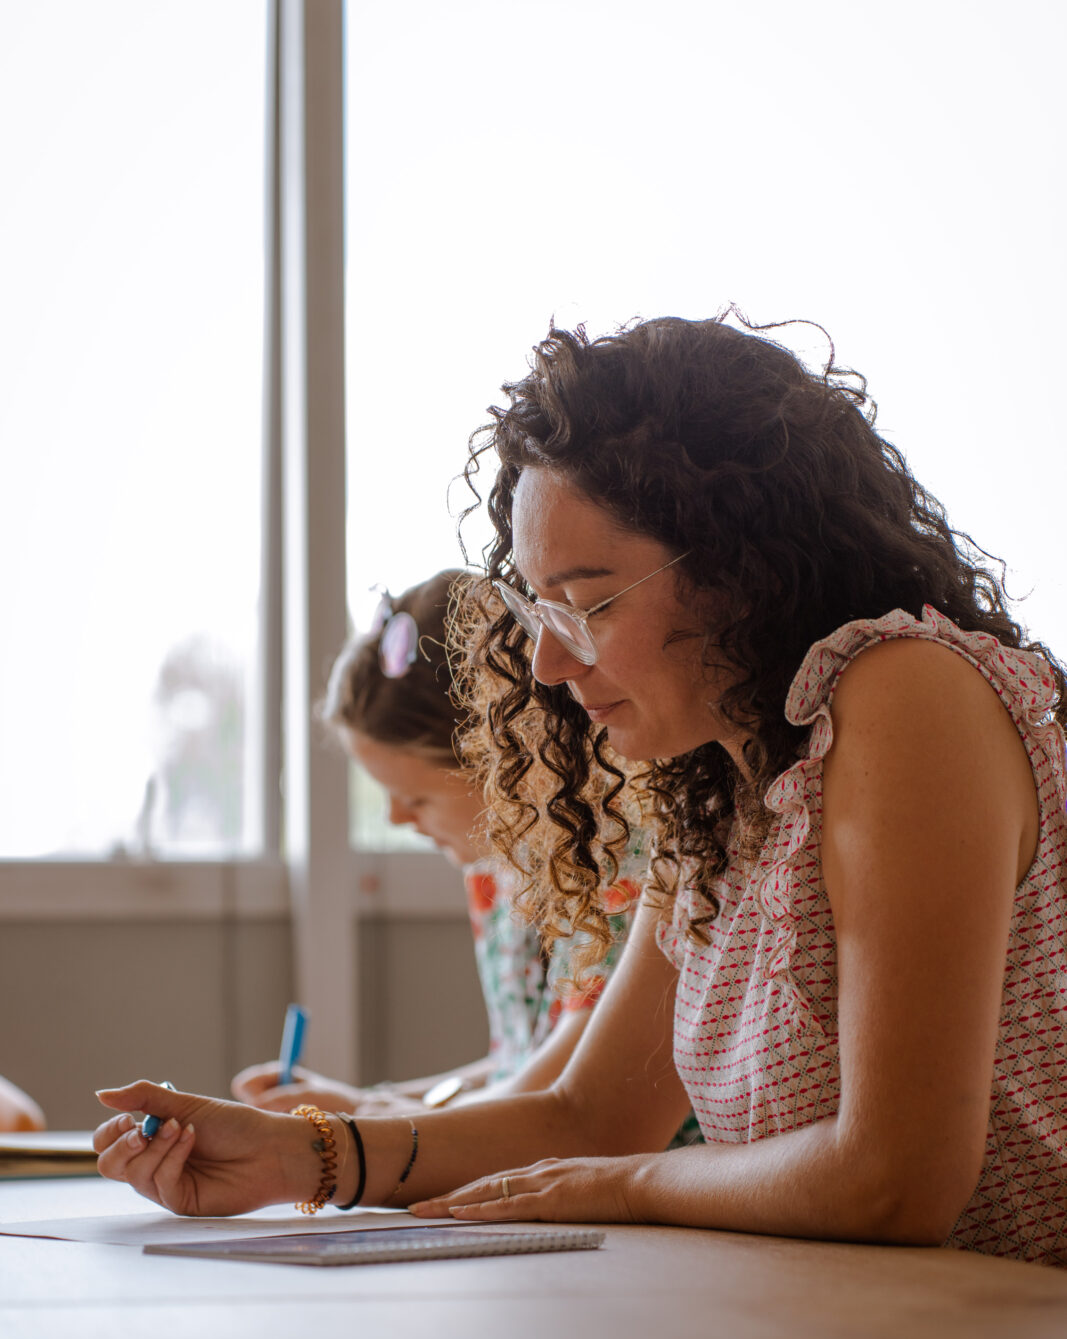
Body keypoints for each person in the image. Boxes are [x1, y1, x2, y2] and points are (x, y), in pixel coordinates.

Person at [94, 312, 1067, 1266]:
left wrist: (630, 1182)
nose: (549, 664)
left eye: (590, 603)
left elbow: (895, 1178)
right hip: (868, 1333)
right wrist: (294, 1156)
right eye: (539, 608)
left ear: (741, 569)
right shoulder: (716, 792)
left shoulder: (905, 692)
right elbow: (588, 1114)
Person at [230, 571, 648, 1119]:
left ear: (510, 765)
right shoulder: (496, 873)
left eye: (416, 798)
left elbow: (564, 1080)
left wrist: (369, 1120)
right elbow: (516, 1066)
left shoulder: (614, 857)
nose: (396, 817)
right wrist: (368, 1103)